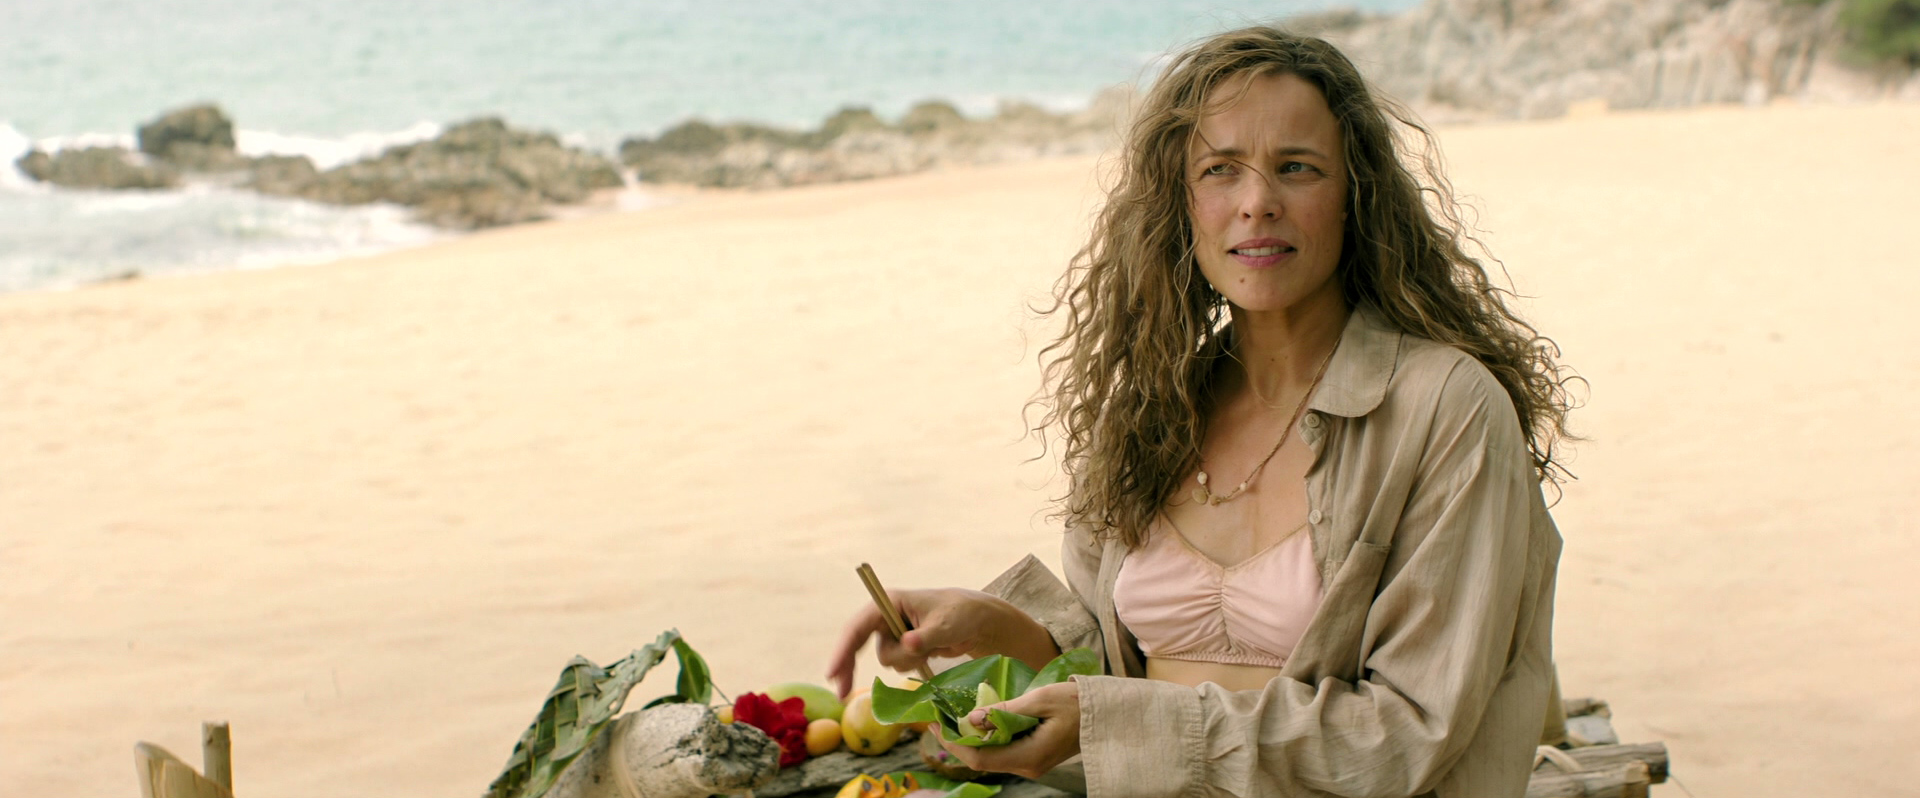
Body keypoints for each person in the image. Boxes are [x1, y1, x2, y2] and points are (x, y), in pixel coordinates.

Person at [826, 26, 1577, 798]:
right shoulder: (1151, 409)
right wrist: (1000, 628)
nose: (1257, 203)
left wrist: (1110, 722)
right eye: (1220, 170)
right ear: (1180, 204)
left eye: (1297, 167)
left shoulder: (1446, 409)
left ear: (1357, 194)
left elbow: (1410, 732)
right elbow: (1118, 690)